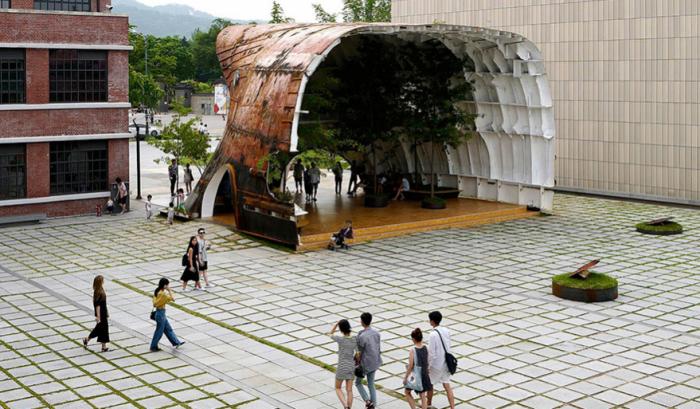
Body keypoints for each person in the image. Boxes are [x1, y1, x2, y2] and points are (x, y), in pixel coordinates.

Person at [426, 311, 455, 409]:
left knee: (430, 384)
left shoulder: (432, 334)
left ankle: (428, 404)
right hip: (446, 363)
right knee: (447, 385)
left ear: (432, 321)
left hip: (436, 364)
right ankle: (452, 407)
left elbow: (431, 353)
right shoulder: (446, 331)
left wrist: (428, 366)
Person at [150, 278, 185, 352]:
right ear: (165, 285)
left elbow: (154, 301)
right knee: (159, 332)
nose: (168, 286)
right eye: (168, 285)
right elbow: (172, 299)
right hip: (160, 314)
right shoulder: (162, 294)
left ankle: (176, 342)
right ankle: (153, 346)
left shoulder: (157, 291)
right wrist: (169, 291)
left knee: (168, 329)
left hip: (160, 313)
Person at [329, 319, 356, 409]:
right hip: (351, 367)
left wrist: (336, 324)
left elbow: (330, 334)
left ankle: (345, 406)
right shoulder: (354, 339)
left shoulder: (340, 339)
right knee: (349, 390)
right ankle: (349, 407)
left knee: (338, 388)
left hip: (341, 367)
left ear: (341, 329)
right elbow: (358, 354)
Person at [356, 312, 381, 409]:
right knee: (371, 383)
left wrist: (357, 363)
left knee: (358, 382)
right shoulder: (376, 333)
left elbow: (359, 352)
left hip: (365, 364)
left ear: (362, 321)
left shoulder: (362, 336)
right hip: (375, 361)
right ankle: (373, 405)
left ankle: (367, 401)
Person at [403, 328, 431, 409]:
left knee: (407, 392)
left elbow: (411, 365)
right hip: (424, 374)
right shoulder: (426, 347)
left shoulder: (413, 350)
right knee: (422, 395)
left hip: (415, 376)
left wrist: (405, 377)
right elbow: (428, 361)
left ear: (414, 339)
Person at [83, 275, 110, 352]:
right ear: (99, 282)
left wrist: (107, 312)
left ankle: (87, 340)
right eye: (102, 280)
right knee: (102, 329)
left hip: (103, 312)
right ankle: (103, 346)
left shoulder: (100, 289)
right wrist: (98, 316)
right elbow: (97, 306)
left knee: (99, 329)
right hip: (101, 314)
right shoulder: (98, 292)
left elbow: (103, 303)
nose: (103, 281)